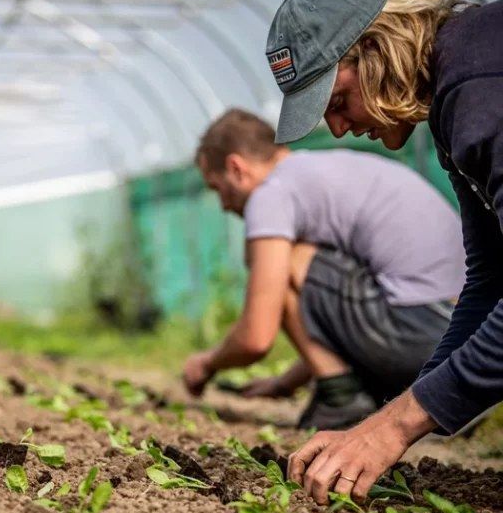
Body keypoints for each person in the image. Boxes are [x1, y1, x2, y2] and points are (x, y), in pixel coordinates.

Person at [264, 0, 500, 504]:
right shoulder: (448, 105)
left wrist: (391, 429)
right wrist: (388, 422)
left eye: (337, 100)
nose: (340, 129)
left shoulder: (479, 87)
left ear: (372, 49)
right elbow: (489, 277)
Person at [182, 109, 463, 430]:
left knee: (284, 260)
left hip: (422, 336)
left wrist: (206, 364)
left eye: (218, 189)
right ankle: (344, 388)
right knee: (296, 259)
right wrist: (286, 383)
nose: (224, 206)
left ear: (236, 168)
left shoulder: (272, 194)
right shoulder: (320, 170)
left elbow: (256, 339)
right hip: (462, 345)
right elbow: (336, 320)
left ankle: (341, 398)